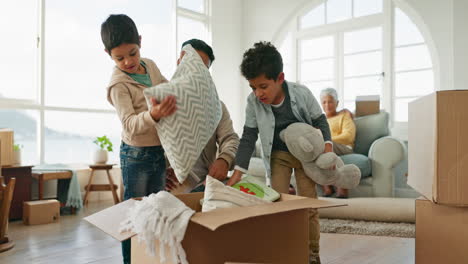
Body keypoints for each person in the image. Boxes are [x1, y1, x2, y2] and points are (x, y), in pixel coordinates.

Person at [226, 41, 333, 264]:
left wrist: (328, 148)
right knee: (276, 204)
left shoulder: (301, 93)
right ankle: (282, 253)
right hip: (277, 156)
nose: (258, 93)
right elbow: (248, 137)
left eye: (263, 86)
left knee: (308, 205)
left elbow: (320, 121)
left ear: (280, 78)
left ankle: (312, 255)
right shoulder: (252, 103)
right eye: (253, 87)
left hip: (306, 156)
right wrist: (237, 170)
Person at [101, 14, 176, 264]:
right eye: (119, 58)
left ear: (140, 42)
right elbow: (131, 126)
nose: (128, 61)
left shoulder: (151, 66)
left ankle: (152, 260)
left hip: (158, 151)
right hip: (136, 156)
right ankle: (130, 261)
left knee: (156, 213)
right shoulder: (118, 86)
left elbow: (167, 89)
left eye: (132, 53)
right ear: (108, 54)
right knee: (133, 216)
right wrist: (153, 114)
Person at [165, 39, 240, 193]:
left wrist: (224, 159)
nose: (195, 72)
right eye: (191, 64)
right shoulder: (161, 101)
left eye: (202, 69)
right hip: (172, 182)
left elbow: (230, 138)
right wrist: (158, 170)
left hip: (206, 181)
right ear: (179, 62)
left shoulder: (217, 106)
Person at [320, 87, 356, 199]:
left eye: (330, 101)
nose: (327, 105)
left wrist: (328, 140)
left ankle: (332, 185)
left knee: (322, 144)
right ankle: (329, 186)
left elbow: (348, 137)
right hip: (326, 148)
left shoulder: (344, 115)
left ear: (337, 103)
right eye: (324, 102)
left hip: (344, 147)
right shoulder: (320, 120)